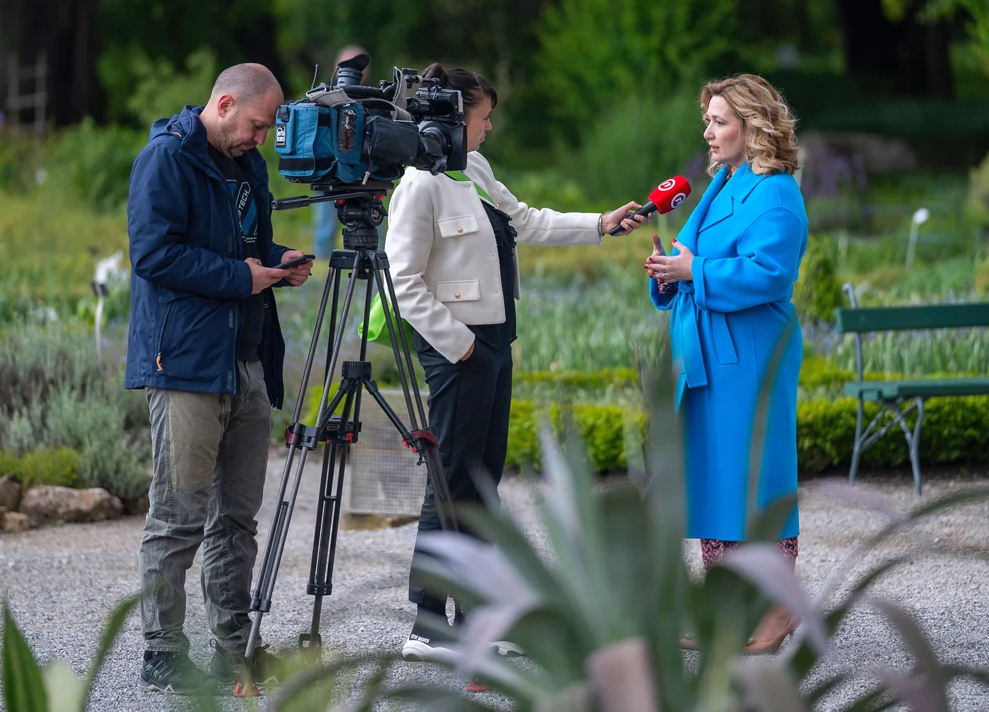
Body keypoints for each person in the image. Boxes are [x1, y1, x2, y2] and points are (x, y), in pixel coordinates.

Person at [385, 62, 650, 662]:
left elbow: (524, 219)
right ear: (454, 116)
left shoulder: (471, 168)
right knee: (451, 481)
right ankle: (429, 625)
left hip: (494, 343)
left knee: (482, 480)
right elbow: (403, 282)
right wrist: (464, 347)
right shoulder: (418, 185)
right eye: (483, 119)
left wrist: (601, 224)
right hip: (462, 350)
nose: (489, 130)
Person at [125, 63, 313, 693]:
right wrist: (243, 277)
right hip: (184, 368)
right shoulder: (166, 159)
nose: (261, 139)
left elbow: (242, 244)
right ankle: (162, 652)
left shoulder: (246, 165)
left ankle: (233, 646)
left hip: (246, 363)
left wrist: (278, 260)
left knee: (236, 519)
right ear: (225, 103)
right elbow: (152, 254)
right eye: (256, 126)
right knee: (178, 517)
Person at [645, 73, 808, 654]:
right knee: (712, 478)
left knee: (756, 477)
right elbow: (690, 255)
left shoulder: (777, 191)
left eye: (719, 121)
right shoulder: (720, 184)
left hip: (751, 355)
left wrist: (694, 273)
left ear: (752, 125)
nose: (708, 132)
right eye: (708, 121)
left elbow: (772, 275)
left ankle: (778, 611)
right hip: (705, 352)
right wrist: (668, 272)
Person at [311, 44, 386, 258]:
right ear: (337, 66)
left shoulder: (372, 97)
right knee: (325, 216)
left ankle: (375, 253)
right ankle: (322, 256)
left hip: (362, 167)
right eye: (347, 64)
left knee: (371, 212)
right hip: (330, 164)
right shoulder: (323, 96)